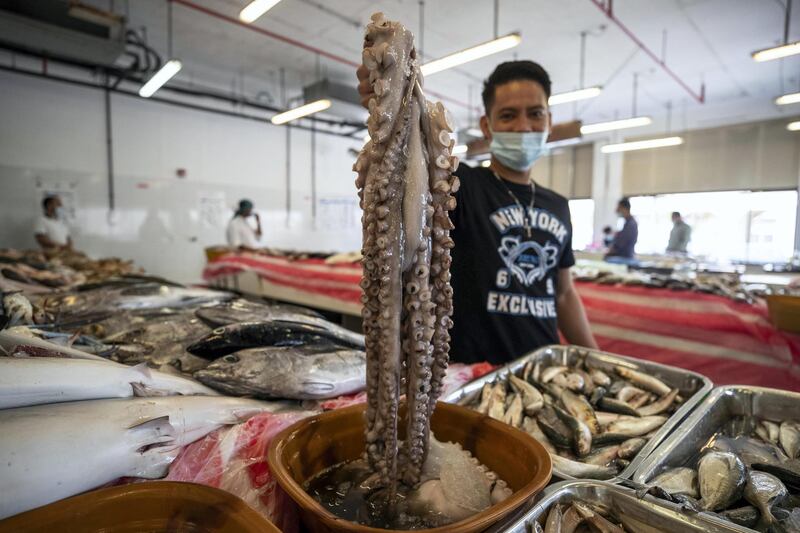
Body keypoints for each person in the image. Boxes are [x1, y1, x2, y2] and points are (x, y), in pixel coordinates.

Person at [357, 60, 597, 365]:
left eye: (535, 114)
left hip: (541, 365)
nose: (524, 127)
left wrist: (594, 356)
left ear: (549, 121)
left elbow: (563, 293)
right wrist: (394, 111)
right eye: (508, 115)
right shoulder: (461, 185)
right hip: (475, 369)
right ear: (487, 126)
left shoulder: (558, 205)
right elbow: (415, 159)